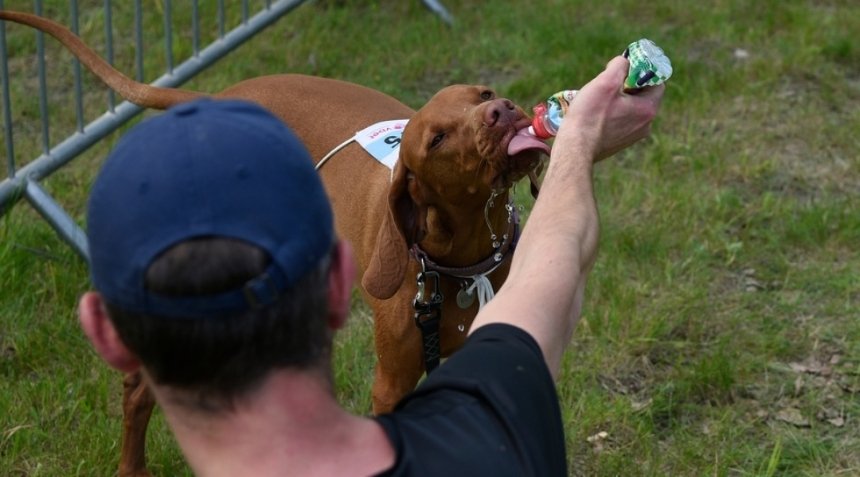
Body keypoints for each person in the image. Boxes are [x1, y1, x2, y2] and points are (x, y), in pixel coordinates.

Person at [78, 55, 664, 476]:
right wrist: (581, 140)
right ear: (341, 282)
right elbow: (553, 279)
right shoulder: (499, 432)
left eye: (485, 97)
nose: (494, 110)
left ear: (110, 334)